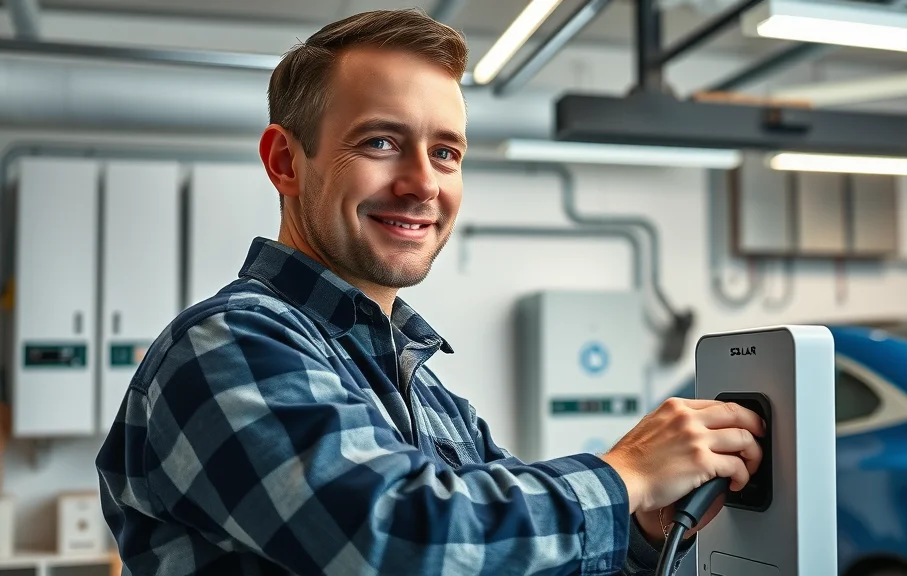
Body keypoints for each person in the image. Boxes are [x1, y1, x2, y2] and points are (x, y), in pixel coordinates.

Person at [95, 8, 764, 576]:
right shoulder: (225, 347)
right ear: (285, 162)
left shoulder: (434, 398)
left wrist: (643, 529)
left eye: (445, 153)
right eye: (381, 142)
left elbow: (502, 557)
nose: (423, 184)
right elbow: (397, 543)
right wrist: (625, 475)